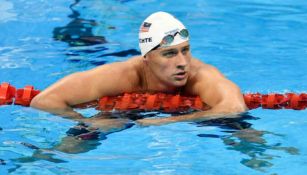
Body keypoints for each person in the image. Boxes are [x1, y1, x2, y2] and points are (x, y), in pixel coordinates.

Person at [30, 11, 247, 127]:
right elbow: (44, 101)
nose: (183, 62)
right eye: (169, 53)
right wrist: (87, 122)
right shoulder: (121, 75)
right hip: (120, 112)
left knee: (240, 130)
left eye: (186, 50)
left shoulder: (201, 75)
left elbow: (233, 109)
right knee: (90, 132)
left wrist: (166, 122)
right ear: (147, 57)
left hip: (180, 116)